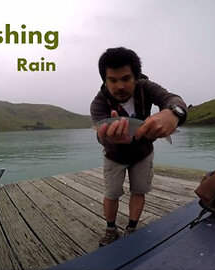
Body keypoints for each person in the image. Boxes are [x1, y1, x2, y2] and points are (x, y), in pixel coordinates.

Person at [90, 47, 187, 247]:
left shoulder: (147, 87)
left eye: (126, 78)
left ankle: (132, 228)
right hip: (114, 157)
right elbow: (101, 138)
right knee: (112, 194)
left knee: (139, 191)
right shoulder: (98, 104)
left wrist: (173, 113)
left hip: (143, 153)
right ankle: (110, 229)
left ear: (136, 77)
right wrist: (109, 139)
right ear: (105, 81)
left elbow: (173, 100)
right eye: (113, 80)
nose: (120, 86)